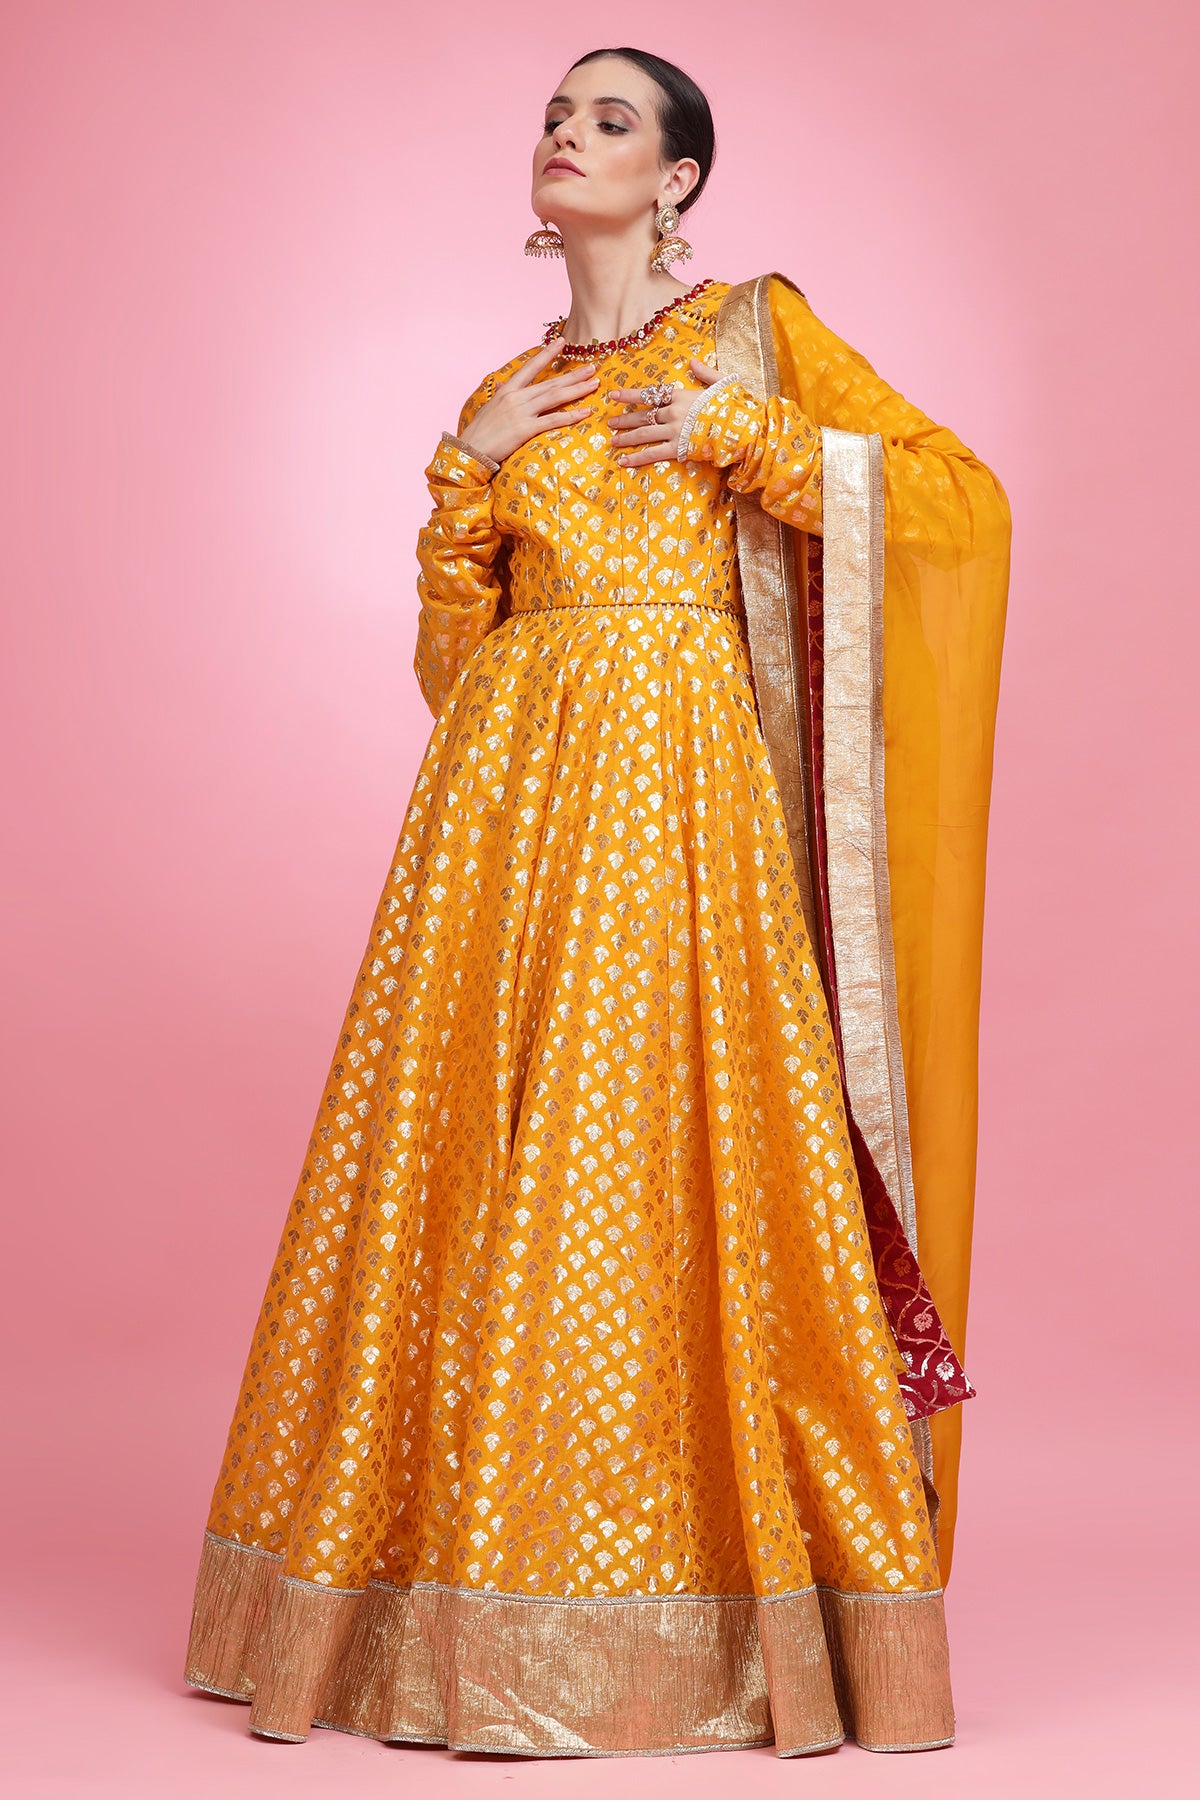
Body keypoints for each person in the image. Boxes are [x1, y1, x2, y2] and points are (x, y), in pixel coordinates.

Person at [184, 44, 1010, 1759]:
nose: (568, 135)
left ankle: (700, 1610)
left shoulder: (751, 336)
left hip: (677, 815)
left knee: (658, 1166)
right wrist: (459, 466)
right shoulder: (505, 391)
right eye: (557, 116)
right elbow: (453, 669)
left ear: (678, 178)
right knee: (474, 1178)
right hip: (497, 823)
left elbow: (954, 506)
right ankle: (449, 1605)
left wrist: (748, 437)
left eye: (610, 119)